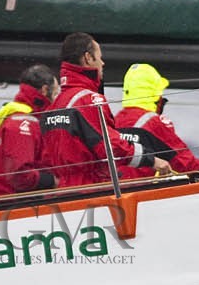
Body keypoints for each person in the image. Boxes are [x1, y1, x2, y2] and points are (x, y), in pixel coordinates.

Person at [39, 33, 171, 187]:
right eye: (99, 57)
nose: (103, 63)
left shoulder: (54, 106)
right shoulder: (89, 100)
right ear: (88, 58)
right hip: (93, 189)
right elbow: (110, 146)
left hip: (64, 191)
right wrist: (152, 160)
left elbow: (46, 158)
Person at [115, 63, 199, 178]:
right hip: (144, 192)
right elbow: (184, 163)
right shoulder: (153, 122)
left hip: (108, 191)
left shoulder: (112, 121)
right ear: (156, 96)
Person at [0, 65, 59, 197]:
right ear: (46, 90)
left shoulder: (22, 119)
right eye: (56, 93)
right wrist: (54, 181)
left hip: (17, 202)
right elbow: (20, 175)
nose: (58, 99)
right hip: (18, 205)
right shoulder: (23, 125)